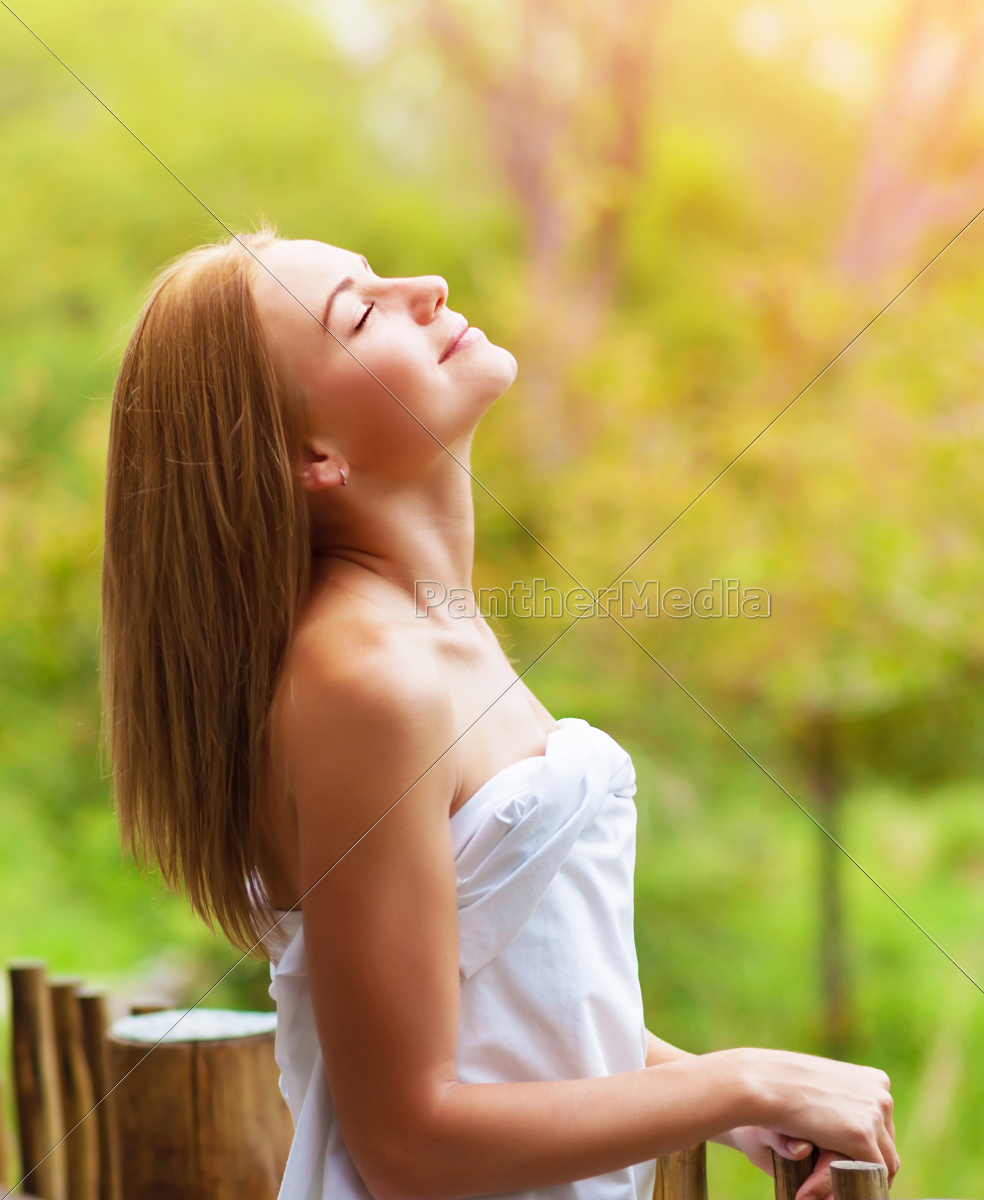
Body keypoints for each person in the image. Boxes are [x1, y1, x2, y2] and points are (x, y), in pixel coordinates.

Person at [101, 230, 898, 1200]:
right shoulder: (367, 681)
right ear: (312, 456)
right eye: (358, 311)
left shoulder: (433, 635)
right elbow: (407, 1137)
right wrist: (745, 1074)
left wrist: (731, 1107)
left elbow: (516, 1006)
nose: (426, 285)